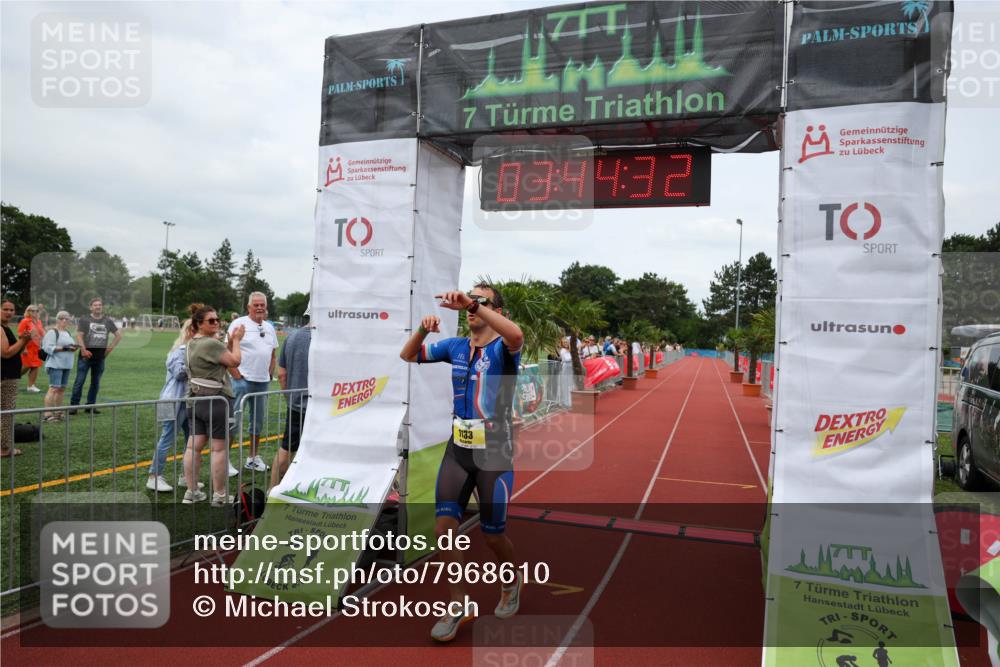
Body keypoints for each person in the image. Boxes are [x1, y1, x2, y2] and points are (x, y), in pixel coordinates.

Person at [400, 283, 524, 642]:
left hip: (494, 455)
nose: (472, 308)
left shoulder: (505, 348)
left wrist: (473, 302)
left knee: (492, 535)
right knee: (442, 530)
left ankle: (511, 580)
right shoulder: (455, 346)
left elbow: (516, 333)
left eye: (482, 302)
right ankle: (458, 604)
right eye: (470, 301)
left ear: (497, 311)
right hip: (458, 451)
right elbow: (408, 355)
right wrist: (423, 328)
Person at [182, 304, 244, 505]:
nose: (216, 323)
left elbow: (220, 359)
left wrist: (229, 341)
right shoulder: (211, 343)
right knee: (219, 449)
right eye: (211, 320)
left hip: (194, 401)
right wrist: (236, 341)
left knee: (193, 447)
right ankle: (219, 495)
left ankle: (192, 492)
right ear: (199, 324)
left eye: (217, 319)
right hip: (216, 401)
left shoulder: (192, 342)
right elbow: (234, 361)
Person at [228, 292, 278, 472]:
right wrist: (237, 376)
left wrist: (269, 374)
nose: (259, 308)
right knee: (233, 420)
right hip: (242, 381)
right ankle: (224, 460)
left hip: (262, 382)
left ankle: (252, 458)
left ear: (266, 307)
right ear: (249, 307)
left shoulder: (270, 327)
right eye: (255, 305)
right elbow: (226, 352)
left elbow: (272, 354)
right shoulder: (238, 324)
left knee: (257, 422)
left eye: (262, 305)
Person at [147, 320, 194, 492]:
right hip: (172, 400)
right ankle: (154, 476)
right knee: (167, 438)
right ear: (190, 332)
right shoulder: (179, 351)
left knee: (192, 439)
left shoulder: (189, 351)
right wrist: (199, 364)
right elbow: (179, 373)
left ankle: (185, 475)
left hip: (187, 401)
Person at [271, 321, 310, 487]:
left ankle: (272, 490)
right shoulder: (325, 339)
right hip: (318, 406)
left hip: (296, 402)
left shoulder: (292, 336)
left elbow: (282, 374)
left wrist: (290, 399)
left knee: (287, 448)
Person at [69, 297, 121, 414]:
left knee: (95, 383)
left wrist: (109, 349)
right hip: (85, 356)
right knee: (79, 381)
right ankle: (74, 406)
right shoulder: (85, 319)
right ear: (91, 307)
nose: (98, 307)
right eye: (95, 305)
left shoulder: (107, 321)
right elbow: (79, 336)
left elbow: (118, 335)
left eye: (100, 305)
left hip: (100, 357)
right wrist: (83, 350)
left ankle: (90, 406)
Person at [2, 301, 32, 456]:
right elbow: (5, 353)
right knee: (6, 413)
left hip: (9, 375)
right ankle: (4, 449)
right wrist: (23, 341)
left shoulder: (6, 327)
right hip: (5, 377)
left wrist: (23, 342)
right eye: (5, 309)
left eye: (11, 310)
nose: (8, 312)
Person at [40, 311, 77, 421]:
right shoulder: (52, 332)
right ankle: (47, 414)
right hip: (55, 364)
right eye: (62, 318)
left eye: (67, 319)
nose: (65, 321)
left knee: (61, 389)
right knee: (53, 388)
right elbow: (47, 347)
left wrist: (73, 347)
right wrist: (66, 348)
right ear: (58, 319)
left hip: (67, 364)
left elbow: (68, 347)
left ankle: (58, 411)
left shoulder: (67, 333)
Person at [18, 305, 45, 392]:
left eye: (36, 311)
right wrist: (24, 348)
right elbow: (20, 335)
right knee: (26, 366)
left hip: (37, 348)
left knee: (35, 366)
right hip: (28, 347)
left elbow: (42, 333)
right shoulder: (25, 321)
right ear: (28, 311)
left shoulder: (39, 322)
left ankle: (31, 386)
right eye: (32, 311)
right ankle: (11, 379)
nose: (35, 312)